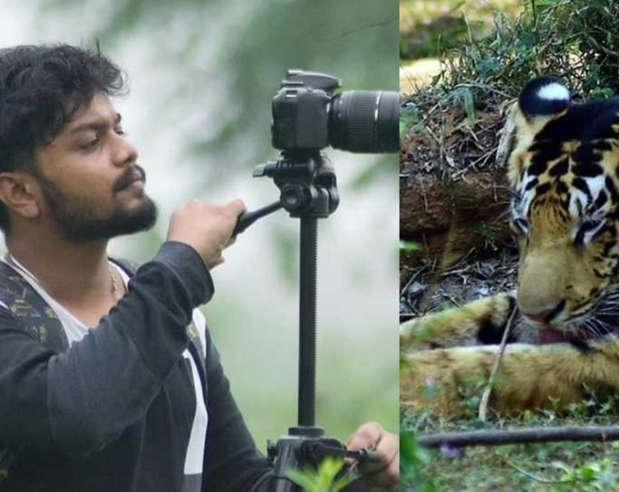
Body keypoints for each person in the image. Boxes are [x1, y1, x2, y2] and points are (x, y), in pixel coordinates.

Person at [0, 44, 398, 491]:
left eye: (118, 129)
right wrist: (181, 265)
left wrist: (353, 483)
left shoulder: (171, 317)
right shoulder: (156, 303)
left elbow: (240, 482)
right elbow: (76, 412)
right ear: (20, 193)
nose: (127, 151)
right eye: (91, 142)